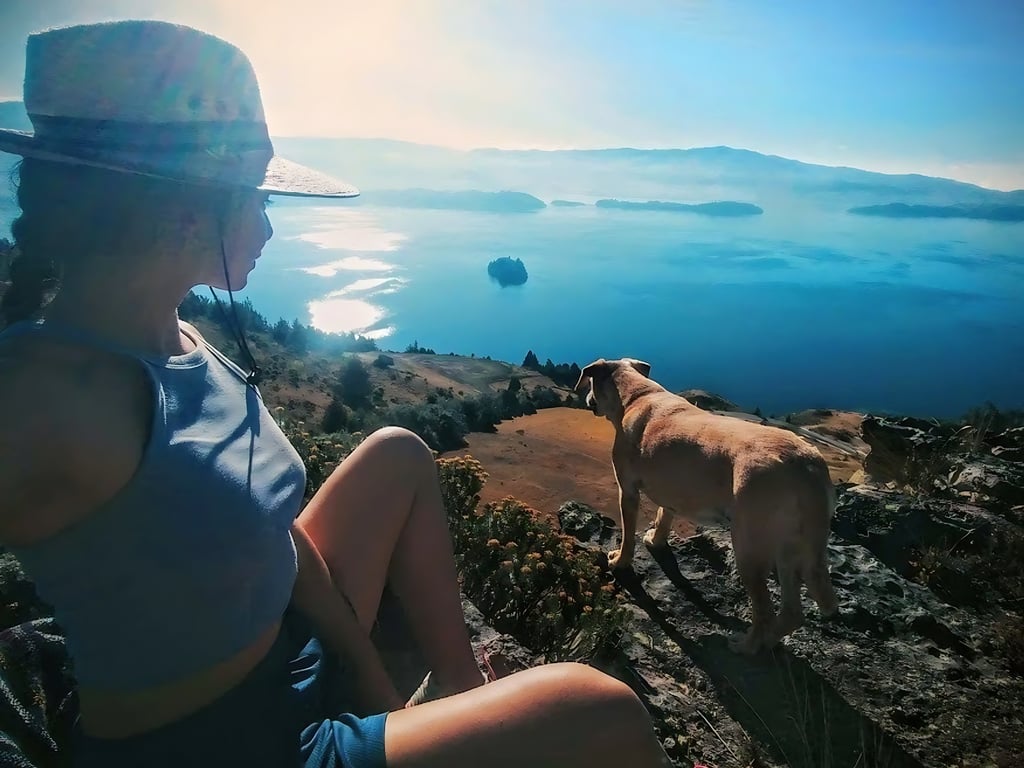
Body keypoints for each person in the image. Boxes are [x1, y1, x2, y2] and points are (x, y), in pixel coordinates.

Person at [0, 20, 673, 768]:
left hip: (285, 656)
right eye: (253, 199)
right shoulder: (49, 393)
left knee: (397, 453)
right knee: (598, 709)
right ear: (177, 211)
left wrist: (374, 684)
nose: (266, 225)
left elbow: (273, 527)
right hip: (229, 746)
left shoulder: (180, 333)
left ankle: (452, 683)